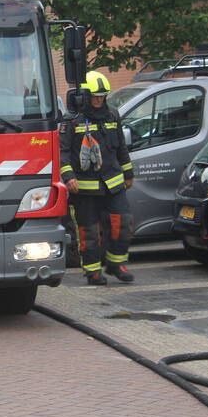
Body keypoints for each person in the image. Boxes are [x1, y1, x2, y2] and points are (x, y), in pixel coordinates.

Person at [59, 71, 135, 285]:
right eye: (94, 96)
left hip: (113, 183)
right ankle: (92, 272)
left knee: (123, 223)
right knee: (89, 231)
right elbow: (62, 152)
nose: (99, 100)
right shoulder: (71, 120)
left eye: (102, 96)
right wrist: (69, 177)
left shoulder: (112, 115)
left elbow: (120, 146)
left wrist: (128, 173)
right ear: (83, 95)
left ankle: (116, 264)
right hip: (84, 188)